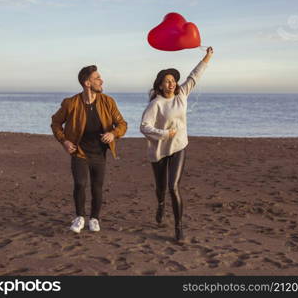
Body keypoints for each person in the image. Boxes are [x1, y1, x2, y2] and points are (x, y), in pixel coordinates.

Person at [140, 47, 213, 243]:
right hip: (159, 151)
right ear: (161, 85)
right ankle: (161, 204)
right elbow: (144, 126)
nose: (171, 84)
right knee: (161, 187)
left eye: (173, 80)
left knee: (173, 186)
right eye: (167, 81)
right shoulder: (156, 104)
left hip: (179, 146)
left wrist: (207, 56)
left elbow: (195, 76)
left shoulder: (182, 95)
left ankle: (178, 228)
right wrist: (164, 133)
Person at [51, 65, 127, 234]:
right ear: (87, 83)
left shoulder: (108, 102)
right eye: (97, 78)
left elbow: (122, 124)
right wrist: (64, 141)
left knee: (97, 186)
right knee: (80, 183)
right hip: (79, 151)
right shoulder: (71, 103)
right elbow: (56, 122)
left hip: (99, 153)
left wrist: (113, 134)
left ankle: (94, 218)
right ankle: (79, 217)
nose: (101, 80)